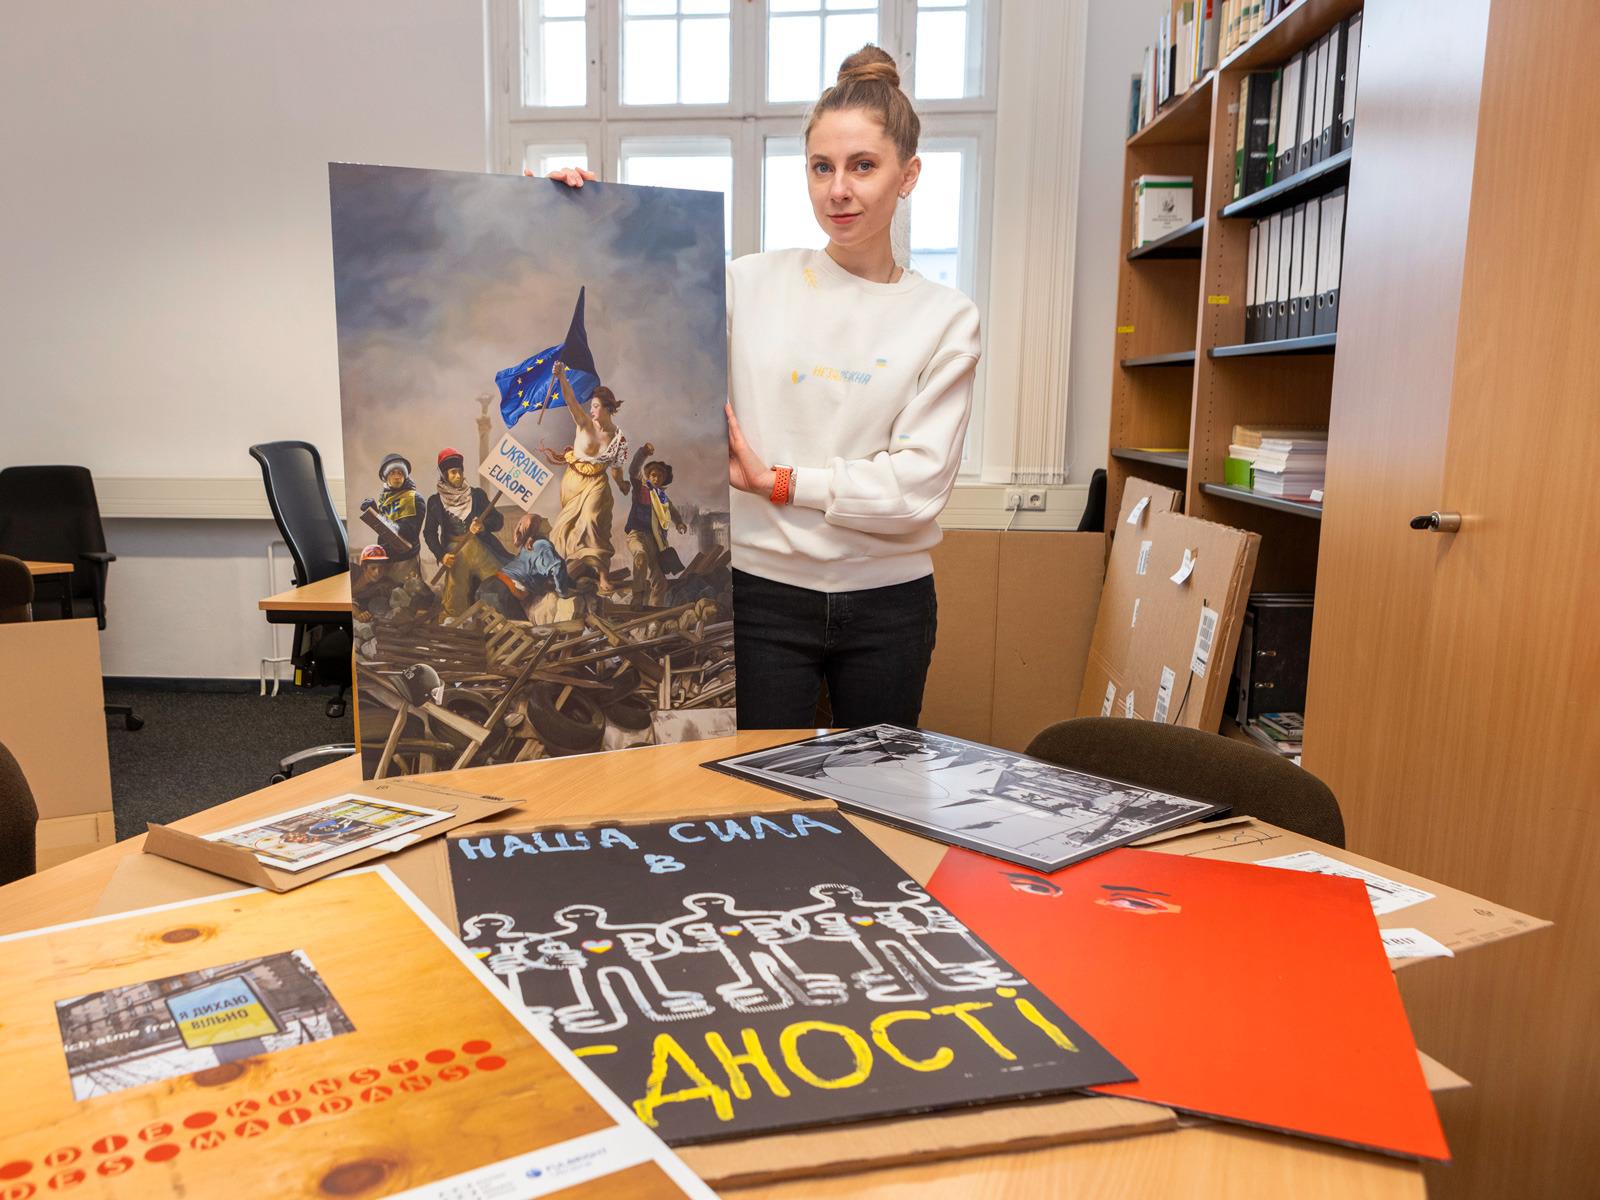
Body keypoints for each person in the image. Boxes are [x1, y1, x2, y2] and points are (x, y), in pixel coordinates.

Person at [545, 45, 979, 727]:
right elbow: (636, 314)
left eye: (864, 166)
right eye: (821, 167)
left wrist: (779, 482)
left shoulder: (947, 318)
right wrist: (576, 215)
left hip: (888, 606)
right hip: (758, 598)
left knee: (873, 796)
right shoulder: (749, 283)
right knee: (758, 804)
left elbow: (917, 489)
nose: (840, 189)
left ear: (909, 174)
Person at [539, 361, 629, 593]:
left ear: (609, 408)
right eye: (592, 405)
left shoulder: (618, 438)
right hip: (572, 482)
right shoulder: (584, 423)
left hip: (596, 484)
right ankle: (567, 573)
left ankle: (602, 577)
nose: (592, 409)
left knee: (592, 521)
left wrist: (621, 485)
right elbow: (570, 400)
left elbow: (616, 468)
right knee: (565, 528)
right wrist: (561, 377)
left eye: (597, 406)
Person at [422, 447, 509, 618]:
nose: (458, 476)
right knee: (456, 598)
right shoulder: (434, 502)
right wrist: (442, 555)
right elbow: (429, 533)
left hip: (480, 548)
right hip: (455, 552)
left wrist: (483, 526)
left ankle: (498, 622)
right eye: (453, 473)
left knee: (500, 584)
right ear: (445, 475)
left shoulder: (477, 495)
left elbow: (498, 521)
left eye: (460, 472)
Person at [625, 442, 688, 609]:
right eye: (653, 475)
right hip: (636, 535)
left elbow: (673, 512)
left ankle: (656, 611)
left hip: (655, 541)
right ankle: (637, 598)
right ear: (648, 476)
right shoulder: (641, 488)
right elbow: (633, 470)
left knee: (660, 581)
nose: (656, 478)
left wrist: (680, 523)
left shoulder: (662, 498)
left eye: (659, 477)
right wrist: (643, 453)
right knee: (640, 556)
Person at [478, 512, 576, 620]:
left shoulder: (527, 545)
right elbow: (557, 566)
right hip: (503, 591)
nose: (549, 526)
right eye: (543, 522)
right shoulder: (542, 544)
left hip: (488, 585)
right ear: (537, 527)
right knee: (522, 630)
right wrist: (563, 592)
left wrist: (571, 583)